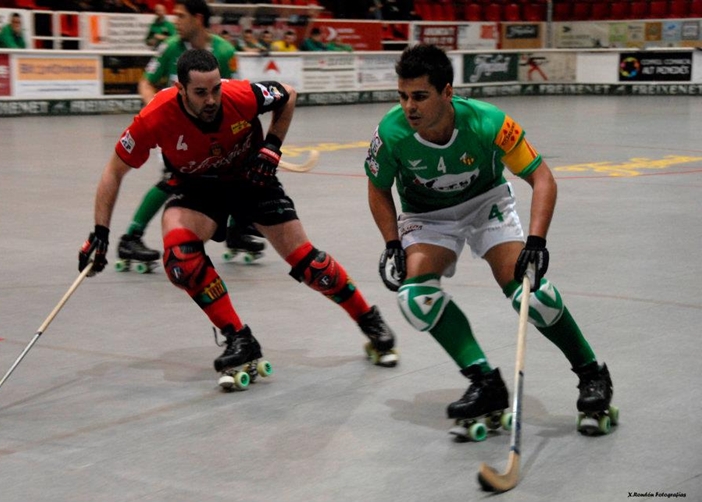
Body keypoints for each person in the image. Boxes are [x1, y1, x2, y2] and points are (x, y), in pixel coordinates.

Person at [78, 49, 398, 387]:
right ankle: (239, 338)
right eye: (201, 92)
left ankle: (368, 317)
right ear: (180, 88)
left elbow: (288, 95)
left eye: (215, 88)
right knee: (180, 259)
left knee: (309, 264)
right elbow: (114, 171)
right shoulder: (155, 116)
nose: (212, 99)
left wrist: (272, 146)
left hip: (253, 180)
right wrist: (100, 232)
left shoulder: (240, 96)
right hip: (199, 190)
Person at [365, 44, 614, 431]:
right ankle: (485, 382)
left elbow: (542, 177)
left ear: (447, 92)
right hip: (428, 216)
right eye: (402, 96)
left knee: (533, 295)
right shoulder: (391, 132)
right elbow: (377, 188)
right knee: (415, 298)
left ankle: (591, 372)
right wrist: (392, 242)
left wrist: (536, 241)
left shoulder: (488, 122)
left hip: (486, 204)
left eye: (419, 96)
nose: (409, 107)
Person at [121, 0, 262, 270]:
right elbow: (146, 82)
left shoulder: (225, 51)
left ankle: (235, 232)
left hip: (213, 129)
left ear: (198, 18)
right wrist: (156, 113)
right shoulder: (169, 47)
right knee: (173, 179)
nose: (175, 21)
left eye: (180, 16)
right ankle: (130, 238)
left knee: (236, 172)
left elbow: (236, 94)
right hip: (177, 131)